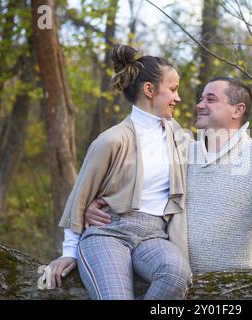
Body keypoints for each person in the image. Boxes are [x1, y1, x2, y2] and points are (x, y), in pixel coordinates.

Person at [85, 76, 252, 282]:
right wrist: (97, 206)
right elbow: (138, 187)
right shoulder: (183, 151)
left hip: (229, 288)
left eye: (210, 99)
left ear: (237, 110)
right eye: (200, 98)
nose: (199, 105)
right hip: (166, 278)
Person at [45, 44, 192, 300]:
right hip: (108, 232)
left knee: (177, 275)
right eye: (173, 89)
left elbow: (211, 154)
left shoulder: (176, 135)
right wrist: (69, 251)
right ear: (149, 90)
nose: (177, 98)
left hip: (154, 236)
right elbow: (80, 196)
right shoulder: (111, 140)